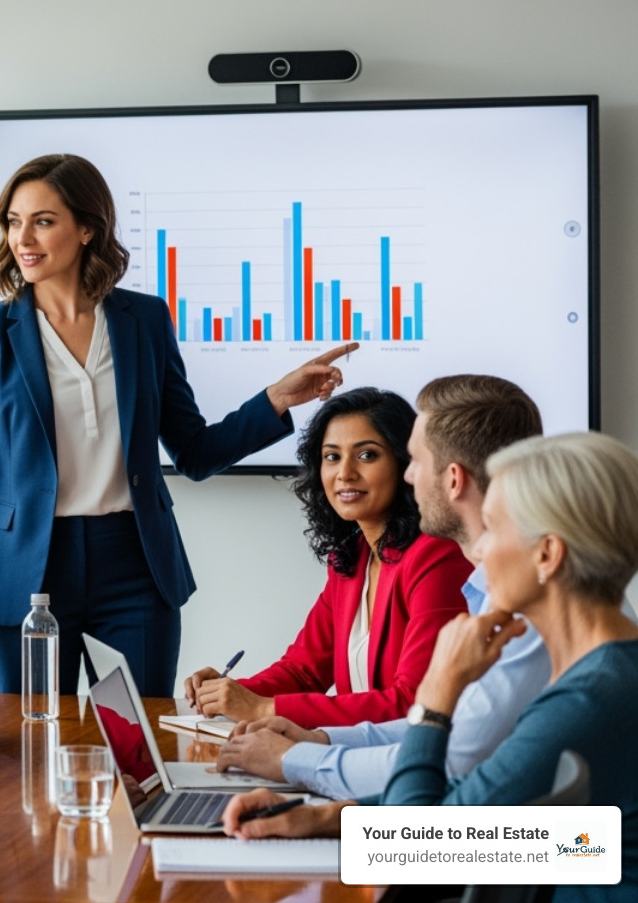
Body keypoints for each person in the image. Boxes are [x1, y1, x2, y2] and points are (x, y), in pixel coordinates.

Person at [0, 153, 357, 699]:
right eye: (13, 221)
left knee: (137, 739)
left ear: (87, 229)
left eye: (43, 221)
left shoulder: (143, 321)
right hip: (26, 574)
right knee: (30, 742)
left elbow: (193, 450)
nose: (22, 238)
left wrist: (277, 398)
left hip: (134, 566)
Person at [223, 432, 638, 901]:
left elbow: (415, 850)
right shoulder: (607, 673)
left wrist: (437, 698)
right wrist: (322, 817)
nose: (477, 552)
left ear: (547, 554)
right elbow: (533, 832)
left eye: (492, 528)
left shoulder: (590, 699)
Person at [215, 375, 551, 796]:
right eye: (331, 457)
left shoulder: (500, 587)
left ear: (452, 478)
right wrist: (305, 733)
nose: (410, 476)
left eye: (413, 461)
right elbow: (427, 725)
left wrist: (293, 757)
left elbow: (441, 742)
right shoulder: (359, 557)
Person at [184, 387, 474, 725]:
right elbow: (303, 672)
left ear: (404, 463)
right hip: (356, 749)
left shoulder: (437, 555)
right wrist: (228, 693)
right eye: (332, 457)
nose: (344, 473)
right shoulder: (352, 557)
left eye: (367, 455)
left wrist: (264, 709)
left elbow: (416, 702)